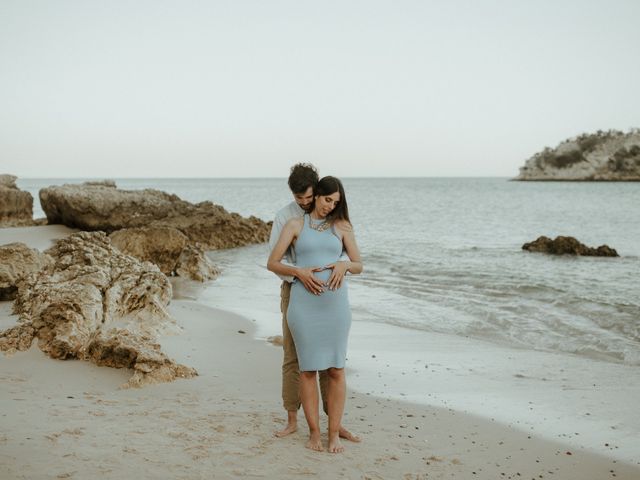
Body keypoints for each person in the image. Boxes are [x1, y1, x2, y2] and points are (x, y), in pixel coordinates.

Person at [268, 176, 362, 453]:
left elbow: (359, 264)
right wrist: (298, 271)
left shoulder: (342, 226)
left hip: (335, 307)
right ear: (316, 196)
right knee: (307, 370)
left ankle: (333, 434)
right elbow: (272, 262)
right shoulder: (294, 224)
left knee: (336, 369)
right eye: (326, 199)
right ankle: (313, 433)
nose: (329, 206)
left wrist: (345, 265)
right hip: (303, 304)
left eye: (335, 202)